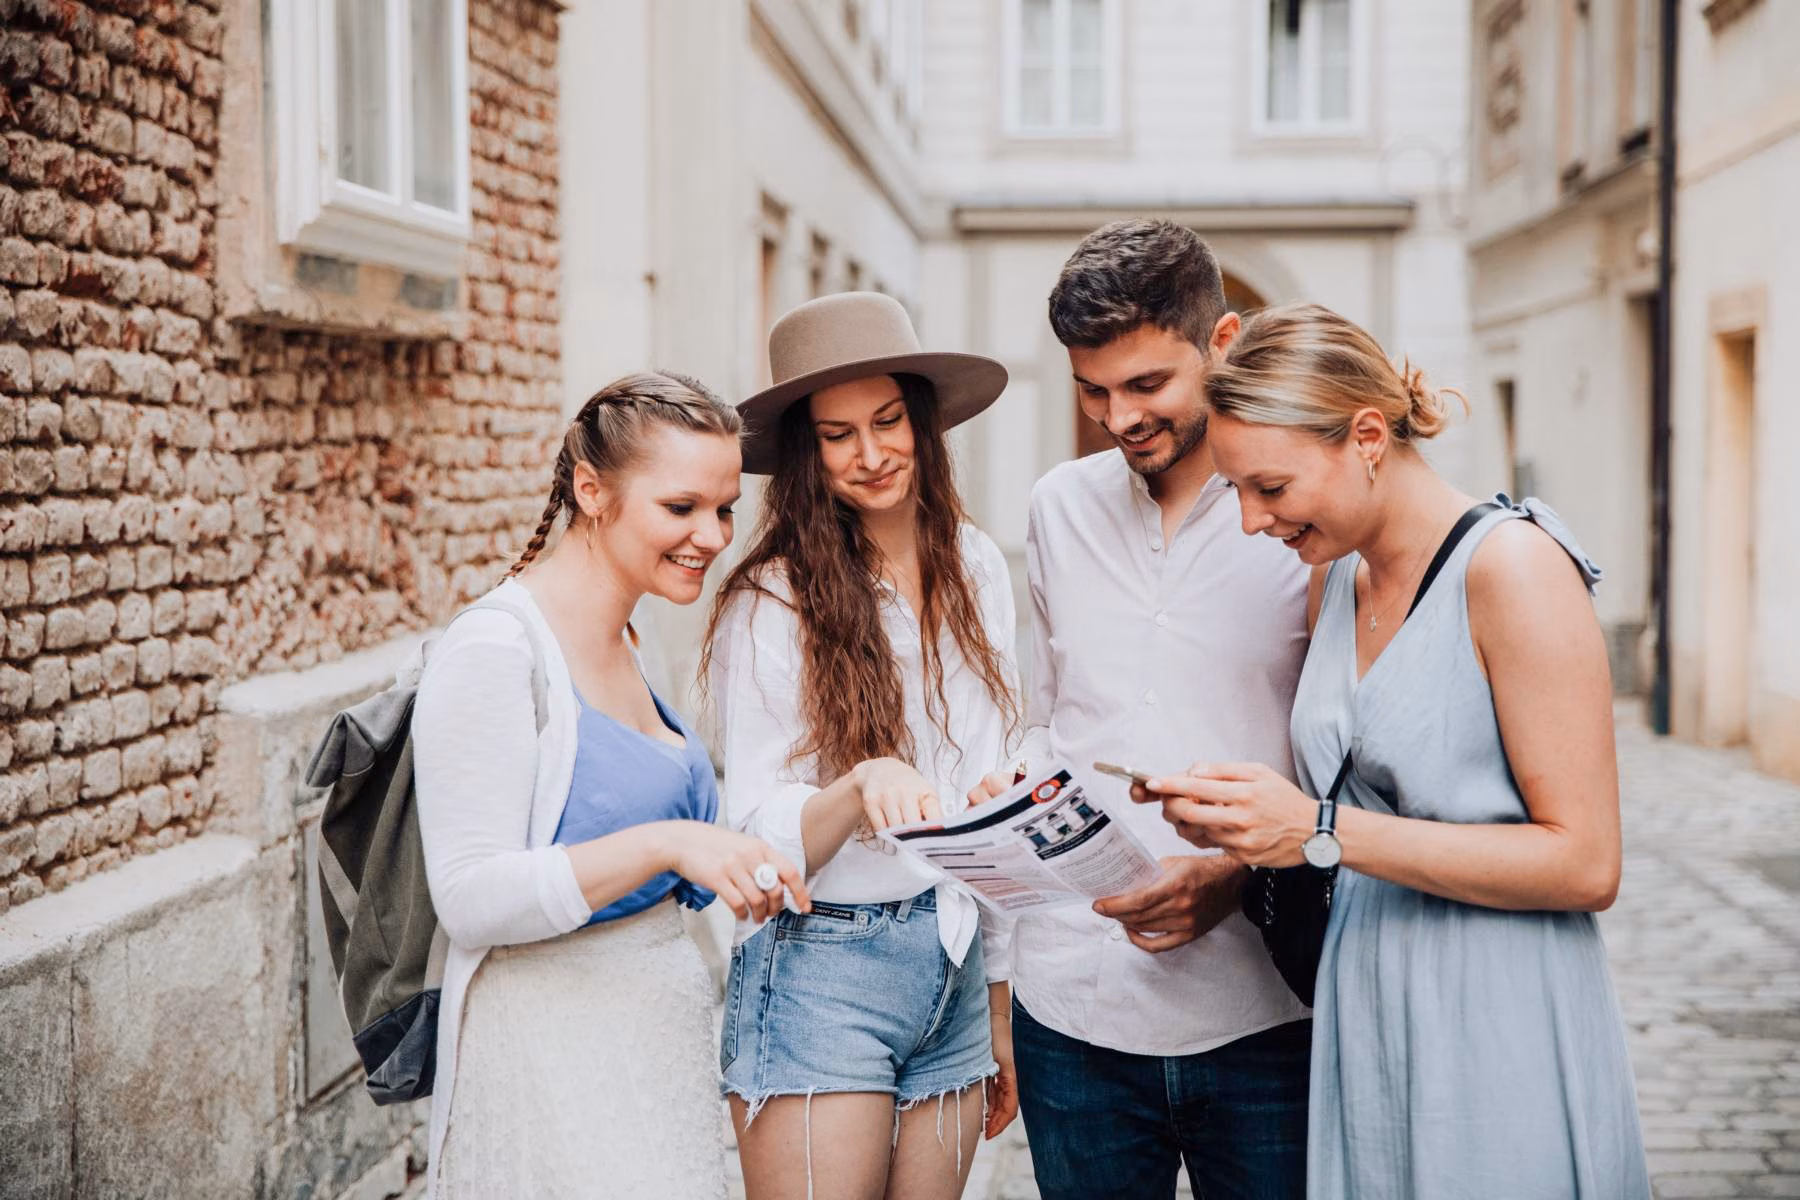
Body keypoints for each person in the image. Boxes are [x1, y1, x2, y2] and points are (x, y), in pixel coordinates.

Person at [1141, 302, 1650, 1198]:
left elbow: (1586, 862)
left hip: (1497, 1006)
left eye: (1272, 488)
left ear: (1367, 436)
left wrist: (1320, 830)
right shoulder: (1335, 574)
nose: (1255, 523)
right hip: (1363, 1000)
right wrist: (1236, 850)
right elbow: (1336, 804)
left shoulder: (1512, 570)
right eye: (1237, 494)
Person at [966, 219, 1315, 1199]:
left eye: (1147, 385)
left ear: (1225, 342)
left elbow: (1340, 763)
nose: (1118, 417)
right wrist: (1012, 793)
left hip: (1265, 1013)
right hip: (1072, 1012)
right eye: (1092, 390)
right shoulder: (1055, 508)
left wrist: (1237, 875)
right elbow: (1049, 716)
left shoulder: (1297, 518)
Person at [411, 372, 812, 1200]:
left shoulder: (631, 636)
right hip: (550, 1058)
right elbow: (469, 896)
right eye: (681, 508)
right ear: (591, 491)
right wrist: (667, 843)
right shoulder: (494, 651)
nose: (712, 535)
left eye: (725, 507)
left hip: (653, 1053)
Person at [702, 292, 1021, 1200]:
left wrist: (998, 1003)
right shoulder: (771, 600)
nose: (871, 455)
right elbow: (757, 843)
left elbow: (988, 790)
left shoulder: (978, 564)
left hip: (952, 959)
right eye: (838, 435)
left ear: (923, 421)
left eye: (887, 422)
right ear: (806, 452)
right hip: (818, 965)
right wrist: (860, 785)